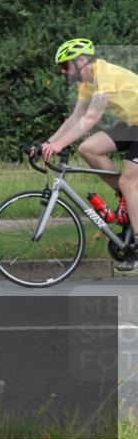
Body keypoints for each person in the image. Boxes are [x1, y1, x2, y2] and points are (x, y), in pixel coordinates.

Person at [41, 38, 138, 270]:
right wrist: (47, 143)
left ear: (81, 61)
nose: (64, 72)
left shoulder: (104, 74)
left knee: (128, 179)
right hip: (134, 124)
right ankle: (128, 197)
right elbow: (75, 118)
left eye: (65, 66)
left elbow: (91, 118)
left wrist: (59, 145)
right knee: (88, 148)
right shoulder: (86, 83)